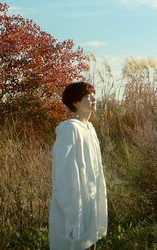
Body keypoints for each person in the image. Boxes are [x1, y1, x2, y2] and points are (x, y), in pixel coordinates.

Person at [49, 81, 107, 250]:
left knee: (90, 239)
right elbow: (63, 172)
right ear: (75, 102)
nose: (94, 99)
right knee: (74, 242)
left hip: (90, 197)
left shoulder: (89, 128)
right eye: (87, 97)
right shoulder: (70, 129)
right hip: (75, 202)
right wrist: (72, 211)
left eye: (93, 95)